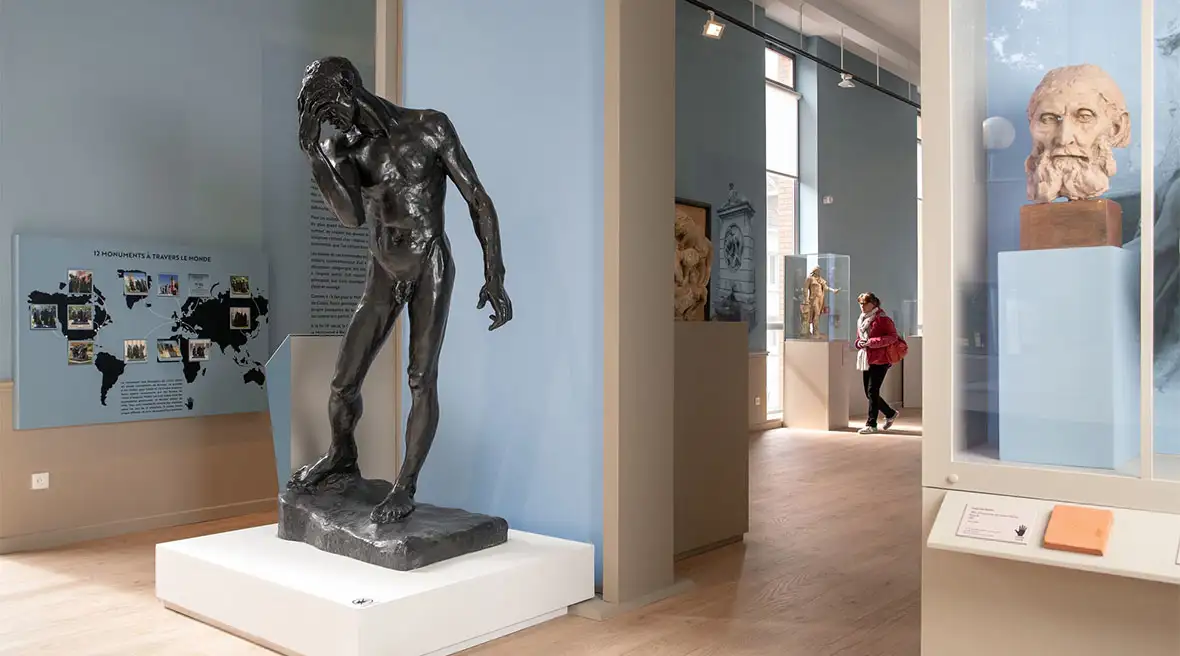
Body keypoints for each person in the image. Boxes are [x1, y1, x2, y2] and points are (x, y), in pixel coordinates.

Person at [286, 56, 514, 524]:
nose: (328, 121)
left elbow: (478, 198)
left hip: (429, 259)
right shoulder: (345, 149)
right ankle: (341, 456)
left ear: (349, 91)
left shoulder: (429, 127)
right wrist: (317, 158)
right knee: (343, 381)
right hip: (383, 267)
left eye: (329, 109)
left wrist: (494, 273)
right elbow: (350, 217)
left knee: (420, 377)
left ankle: (405, 485)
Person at [853, 292, 899, 434]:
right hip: (867, 358)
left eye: (865, 303)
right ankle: (890, 413)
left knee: (873, 391)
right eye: (860, 303)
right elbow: (858, 339)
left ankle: (871, 424)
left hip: (881, 359)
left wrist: (871, 342)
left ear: (873, 303)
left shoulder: (883, 319)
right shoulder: (861, 319)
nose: (862, 306)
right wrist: (859, 343)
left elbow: (893, 337)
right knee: (869, 393)